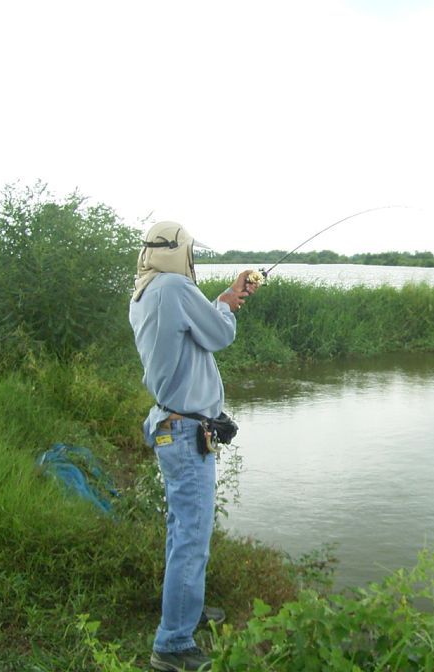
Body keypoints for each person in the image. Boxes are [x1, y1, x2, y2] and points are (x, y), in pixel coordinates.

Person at [129, 221, 258, 671]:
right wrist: (225, 308)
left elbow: (195, 330)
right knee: (192, 536)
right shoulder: (176, 289)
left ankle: (185, 608)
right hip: (186, 434)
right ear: (180, 252)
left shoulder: (145, 291)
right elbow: (219, 335)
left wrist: (222, 300)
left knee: (181, 529)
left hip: (171, 426)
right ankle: (172, 644)